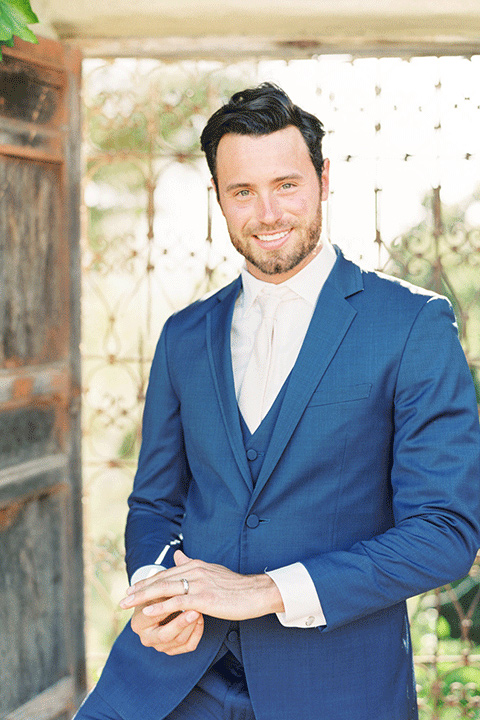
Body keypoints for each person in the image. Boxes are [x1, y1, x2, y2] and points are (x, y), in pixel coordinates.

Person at [75, 83, 480, 720]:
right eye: (243, 191)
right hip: (166, 680)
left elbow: (445, 532)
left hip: (336, 682)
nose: (267, 213)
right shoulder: (185, 335)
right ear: (219, 197)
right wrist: (154, 591)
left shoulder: (411, 325)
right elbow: (155, 504)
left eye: (286, 184)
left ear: (322, 179)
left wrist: (264, 591)